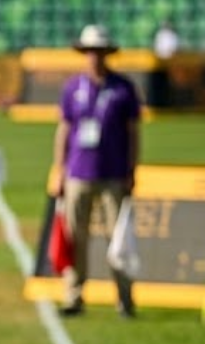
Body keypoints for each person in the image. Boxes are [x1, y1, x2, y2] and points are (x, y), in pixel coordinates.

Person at [50, 24, 142, 318]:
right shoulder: (72, 87)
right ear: (84, 53)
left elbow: (134, 132)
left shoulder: (123, 88)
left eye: (99, 51)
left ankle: (125, 300)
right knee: (76, 239)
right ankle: (74, 296)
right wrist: (59, 168)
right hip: (78, 172)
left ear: (107, 53)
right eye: (90, 51)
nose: (95, 56)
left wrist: (132, 169)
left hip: (114, 173)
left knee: (118, 240)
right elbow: (64, 130)